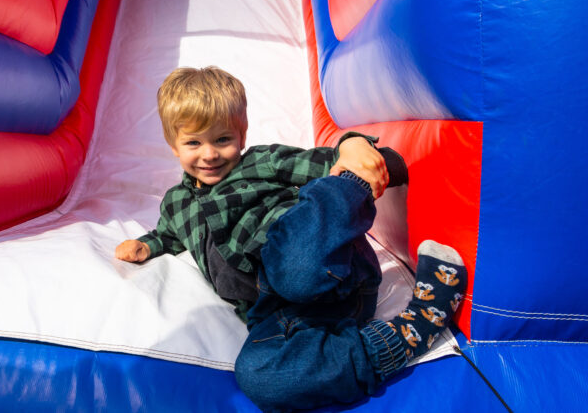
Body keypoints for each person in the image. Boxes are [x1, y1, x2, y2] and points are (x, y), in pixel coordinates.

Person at [115, 66, 467, 411]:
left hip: (328, 267)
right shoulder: (175, 204)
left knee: (291, 269)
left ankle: (355, 187)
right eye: (193, 142)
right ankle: (409, 332)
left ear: (242, 133)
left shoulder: (260, 162)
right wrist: (147, 245)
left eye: (222, 139)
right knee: (258, 375)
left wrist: (359, 149)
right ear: (173, 145)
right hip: (281, 312)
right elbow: (168, 234)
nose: (209, 154)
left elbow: (330, 161)